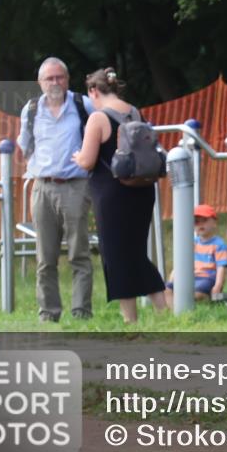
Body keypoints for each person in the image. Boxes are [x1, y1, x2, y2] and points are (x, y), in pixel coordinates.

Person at [71, 68, 167, 323]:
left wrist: (78, 158)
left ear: (94, 91)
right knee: (136, 253)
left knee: (116, 256)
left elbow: (89, 160)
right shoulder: (134, 112)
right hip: (142, 190)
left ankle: (130, 319)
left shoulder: (98, 118)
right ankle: (163, 309)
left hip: (112, 196)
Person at [17, 57, 95, 322]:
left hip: (76, 186)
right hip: (42, 188)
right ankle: (48, 313)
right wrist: (39, 169)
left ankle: (81, 312)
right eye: (49, 78)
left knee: (79, 253)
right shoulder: (30, 110)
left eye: (59, 77)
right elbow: (25, 147)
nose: (55, 83)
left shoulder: (82, 104)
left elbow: (99, 137)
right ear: (40, 83)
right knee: (45, 257)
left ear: (68, 79)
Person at [164, 203, 227, 307]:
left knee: (195, 294)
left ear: (214, 223)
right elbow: (183, 262)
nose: (200, 224)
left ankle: (203, 301)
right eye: (196, 222)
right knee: (166, 290)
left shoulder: (219, 244)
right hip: (191, 277)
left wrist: (218, 286)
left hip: (208, 278)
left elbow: (221, 268)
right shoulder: (192, 242)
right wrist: (173, 276)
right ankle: (176, 314)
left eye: (204, 220)